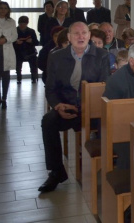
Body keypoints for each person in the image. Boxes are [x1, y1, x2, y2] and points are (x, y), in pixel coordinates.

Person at [39, 22, 110, 192]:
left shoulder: (101, 55)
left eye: (84, 33)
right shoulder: (56, 57)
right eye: (76, 33)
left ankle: (107, 167)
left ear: (89, 36)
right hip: (67, 107)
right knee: (48, 121)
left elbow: (105, 86)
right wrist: (57, 106)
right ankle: (56, 172)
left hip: (93, 110)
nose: (81, 36)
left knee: (111, 122)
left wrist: (90, 108)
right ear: (69, 37)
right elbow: (50, 89)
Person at [13, 15, 39, 84]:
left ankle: (34, 77)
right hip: (18, 51)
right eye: (20, 24)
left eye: (24, 24)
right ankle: (19, 76)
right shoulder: (15, 31)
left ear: (27, 24)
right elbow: (11, 43)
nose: (22, 25)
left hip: (30, 51)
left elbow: (36, 42)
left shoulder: (31, 31)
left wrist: (31, 41)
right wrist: (16, 42)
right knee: (18, 61)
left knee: (33, 61)